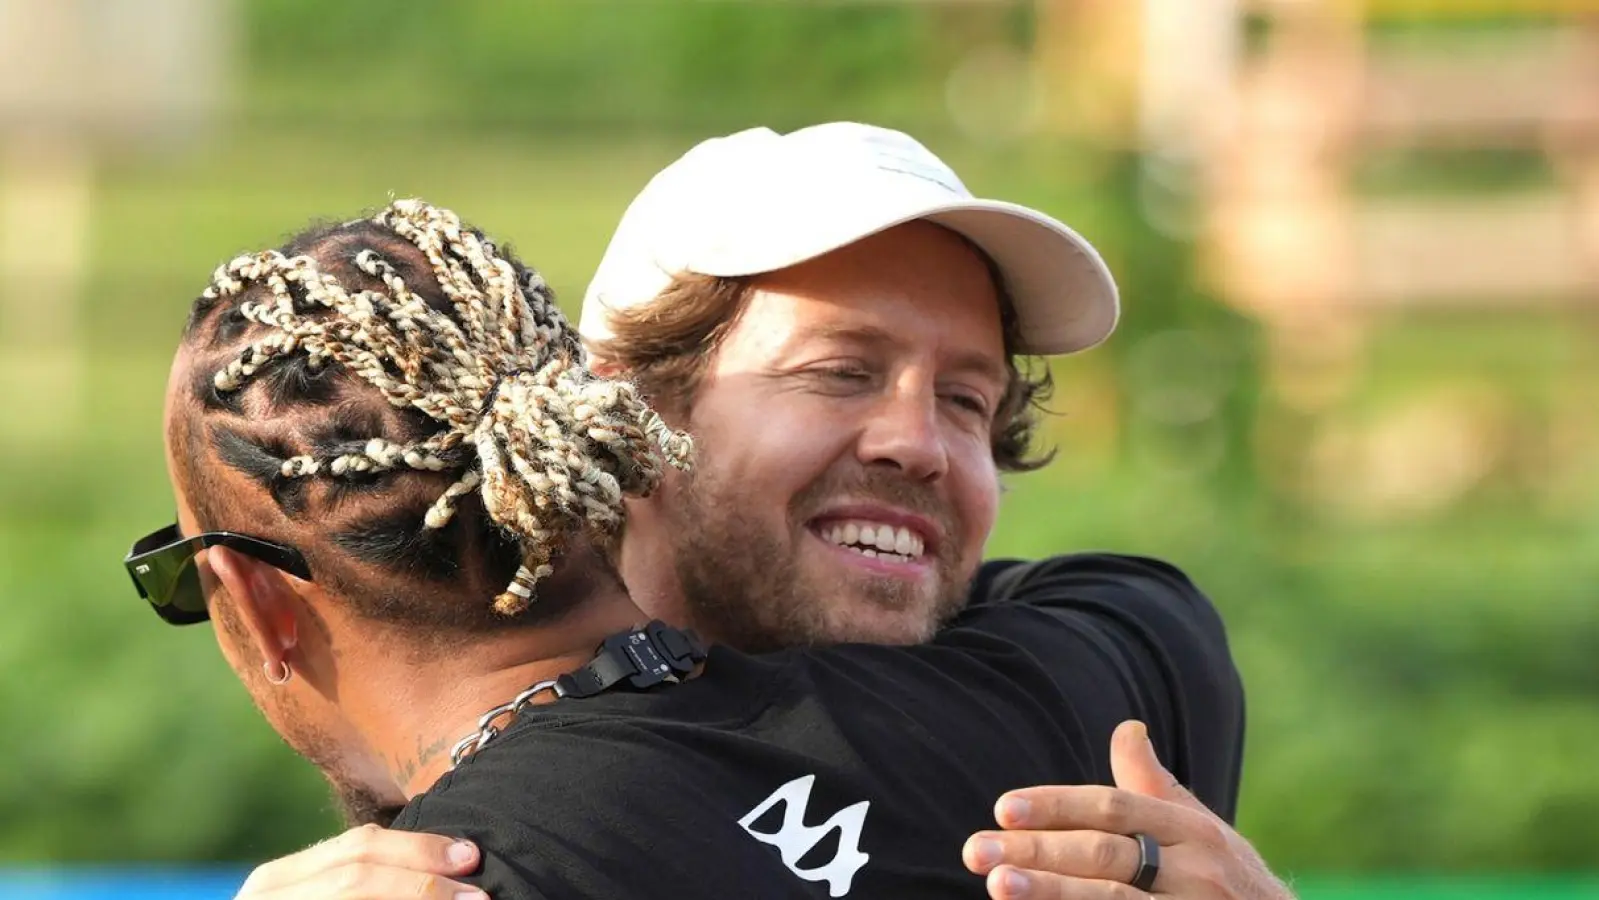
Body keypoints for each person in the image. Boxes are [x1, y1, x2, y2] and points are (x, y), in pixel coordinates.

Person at [132, 198, 1288, 899]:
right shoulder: (1071, 716)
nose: (912, 446)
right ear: (620, 427)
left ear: (259, 602)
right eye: (837, 375)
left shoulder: (472, 873)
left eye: (970, 403)